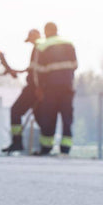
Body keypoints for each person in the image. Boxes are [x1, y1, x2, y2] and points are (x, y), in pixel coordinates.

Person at [34, 21, 78, 155]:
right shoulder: (69, 44)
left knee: (49, 117)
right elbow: (75, 65)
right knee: (67, 118)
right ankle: (65, 148)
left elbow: (38, 71)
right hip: (67, 87)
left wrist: (39, 88)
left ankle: (46, 147)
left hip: (50, 89)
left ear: (46, 31)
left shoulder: (42, 46)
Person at [2, 28, 41, 153]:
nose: (30, 42)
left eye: (31, 40)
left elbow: (36, 71)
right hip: (37, 87)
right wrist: (17, 71)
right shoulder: (39, 49)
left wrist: (38, 87)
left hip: (34, 88)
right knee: (40, 115)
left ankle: (17, 142)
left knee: (16, 110)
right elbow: (31, 69)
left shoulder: (38, 49)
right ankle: (44, 146)